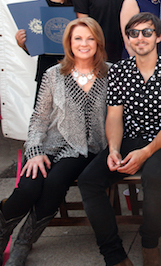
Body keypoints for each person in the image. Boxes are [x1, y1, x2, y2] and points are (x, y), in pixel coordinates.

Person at [78, 13, 161, 266]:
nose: (141, 38)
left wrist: (146, 153)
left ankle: (150, 243)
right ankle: (113, 254)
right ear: (127, 38)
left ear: (158, 37)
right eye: (134, 33)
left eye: (147, 32)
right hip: (129, 138)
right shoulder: (119, 72)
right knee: (89, 180)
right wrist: (114, 149)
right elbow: (114, 116)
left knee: (153, 177)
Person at [1, 18, 109, 266]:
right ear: (69, 43)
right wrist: (35, 150)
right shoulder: (54, 74)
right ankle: (2, 232)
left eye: (90, 38)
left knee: (53, 185)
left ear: (98, 42)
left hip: (85, 149)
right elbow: (38, 118)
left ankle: (23, 243)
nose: (84, 44)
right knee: (28, 188)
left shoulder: (110, 73)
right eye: (78, 38)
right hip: (48, 145)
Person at [15, 0, 76, 99]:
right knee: (45, 114)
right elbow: (35, 46)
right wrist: (23, 44)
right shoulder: (39, 8)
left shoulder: (79, 3)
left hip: (75, 67)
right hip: (48, 67)